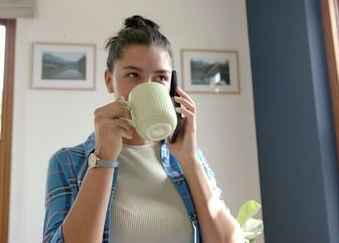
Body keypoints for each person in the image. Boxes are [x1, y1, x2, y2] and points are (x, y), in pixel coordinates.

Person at [42, 15, 243, 243]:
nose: (148, 86)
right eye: (134, 75)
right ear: (109, 80)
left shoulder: (190, 159)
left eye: (160, 78)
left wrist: (189, 160)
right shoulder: (67, 163)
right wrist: (105, 158)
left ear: (172, 87)